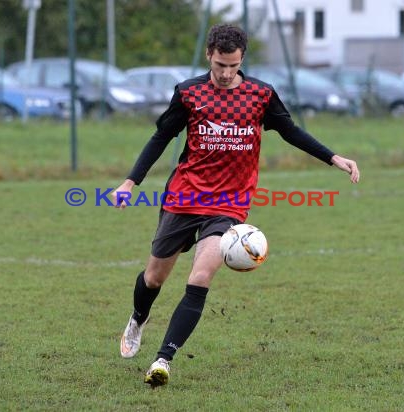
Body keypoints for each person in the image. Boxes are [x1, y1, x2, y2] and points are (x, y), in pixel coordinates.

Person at [112, 23, 360, 387]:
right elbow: (162, 137)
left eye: (232, 66)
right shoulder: (189, 93)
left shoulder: (261, 95)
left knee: (199, 277)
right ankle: (138, 318)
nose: (226, 74)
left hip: (229, 202)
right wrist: (131, 181)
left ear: (242, 59)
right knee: (154, 278)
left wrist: (332, 157)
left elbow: (290, 130)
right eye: (219, 66)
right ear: (209, 56)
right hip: (185, 195)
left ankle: (163, 359)